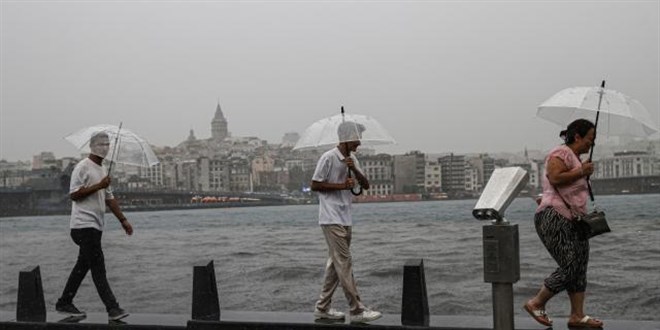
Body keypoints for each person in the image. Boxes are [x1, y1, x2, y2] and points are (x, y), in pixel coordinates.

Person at [524, 119, 604, 328]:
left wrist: (582, 170)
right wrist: (581, 172)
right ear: (577, 136)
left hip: (575, 220)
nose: (591, 144)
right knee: (570, 265)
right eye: (590, 138)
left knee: (580, 266)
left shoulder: (577, 159)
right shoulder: (561, 153)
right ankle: (536, 302)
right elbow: (555, 176)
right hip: (554, 216)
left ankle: (577, 316)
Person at [55, 131, 133, 321]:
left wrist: (123, 220)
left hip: (96, 227)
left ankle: (65, 302)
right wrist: (99, 185)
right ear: (91, 146)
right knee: (99, 267)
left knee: (82, 266)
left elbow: (109, 198)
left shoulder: (103, 170)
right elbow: (73, 195)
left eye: (107, 144)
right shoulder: (82, 167)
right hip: (82, 226)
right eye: (100, 144)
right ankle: (113, 309)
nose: (105, 148)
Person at [310, 121, 382, 324]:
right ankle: (357, 309)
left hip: (345, 217)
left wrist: (355, 170)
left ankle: (322, 308)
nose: (360, 141)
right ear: (347, 136)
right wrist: (342, 185)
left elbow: (365, 185)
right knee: (345, 262)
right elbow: (315, 184)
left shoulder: (352, 159)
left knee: (336, 264)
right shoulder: (328, 157)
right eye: (358, 137)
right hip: (330, 217)